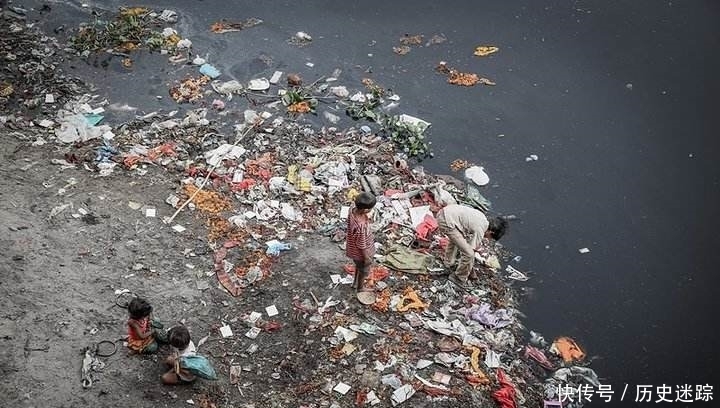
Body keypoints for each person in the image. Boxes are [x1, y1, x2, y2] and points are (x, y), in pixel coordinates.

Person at [435, 204, 508, 288]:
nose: (487, 238)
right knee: (469, 254)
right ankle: (458, 278)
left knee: (456, 240)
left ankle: (448, 263)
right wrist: (469, 270)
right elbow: (470, 252)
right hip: (446, 221)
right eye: (490, 237)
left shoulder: (483, 218)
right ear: (491, 232)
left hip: (445, 213)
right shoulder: (480, 229)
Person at [346, 192, 377, 292]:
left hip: (353, 249)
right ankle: (360, 287)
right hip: (361, 253)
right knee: (364, 270)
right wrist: (367, 257)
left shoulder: (352, 210)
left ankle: (355, 283)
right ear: (365, 210)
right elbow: (361, 244)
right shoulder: (361, 226)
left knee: (358, 267)